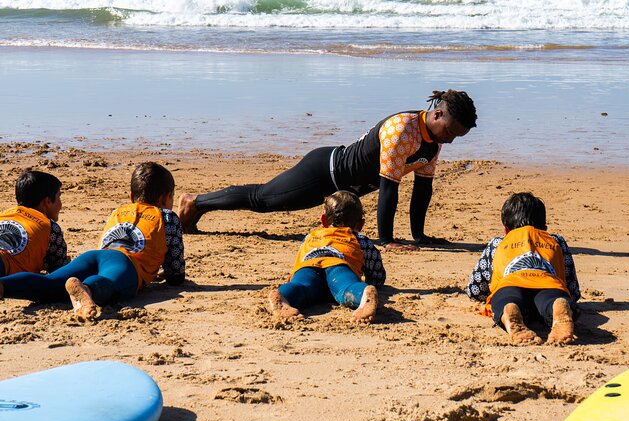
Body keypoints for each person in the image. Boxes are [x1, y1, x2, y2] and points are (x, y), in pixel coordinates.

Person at [178, 89, 477, 251]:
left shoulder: (434, 140)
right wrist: (386, 240)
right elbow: (389, 189)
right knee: (263, 200)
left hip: (343, 187)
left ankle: (198, 203)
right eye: (450, 131)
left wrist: (419, 236)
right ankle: (196, 202)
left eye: (456, 136)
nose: (450, 139)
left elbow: (423, 189)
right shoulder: (403, 130)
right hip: (325, 173)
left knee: (265, 201)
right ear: (437, 114)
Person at [0, 162, 186, 321]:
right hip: (124, 261)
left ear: (130, 197)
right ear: (166, 198)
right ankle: (86, 289)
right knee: (109, 283)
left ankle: (4, 286)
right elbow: (175, 273)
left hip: (93, 256)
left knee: (50, 282)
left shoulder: (118, 212)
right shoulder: (167, 217)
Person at [465, 192, 581, 345]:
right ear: (544, 229)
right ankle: (557, 307)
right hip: (548, 284)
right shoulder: (556, 240)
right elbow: (571, 285)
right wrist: (567, 297)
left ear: (506, 230)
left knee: (505, 300)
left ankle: (509, 309)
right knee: (551, 301)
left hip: (511, 284)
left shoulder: (497, 243)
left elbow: (476, 289)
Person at [268, 190, 385, 323]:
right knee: (347, 287)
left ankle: (282, 297)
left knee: (300, 286)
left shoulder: (311, 236)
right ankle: (364, 296)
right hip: (339, 264)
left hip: (309, 264)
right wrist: (372, 282)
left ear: (323, 220)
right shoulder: (360, 240)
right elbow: (377, 273)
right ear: (361, 224)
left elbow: (300, 259)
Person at [0, 170, 68, 277]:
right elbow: (61, 271)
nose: (61, 204)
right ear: (47, 201)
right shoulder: (50, 227)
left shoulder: (3, 215)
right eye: (59, 197)